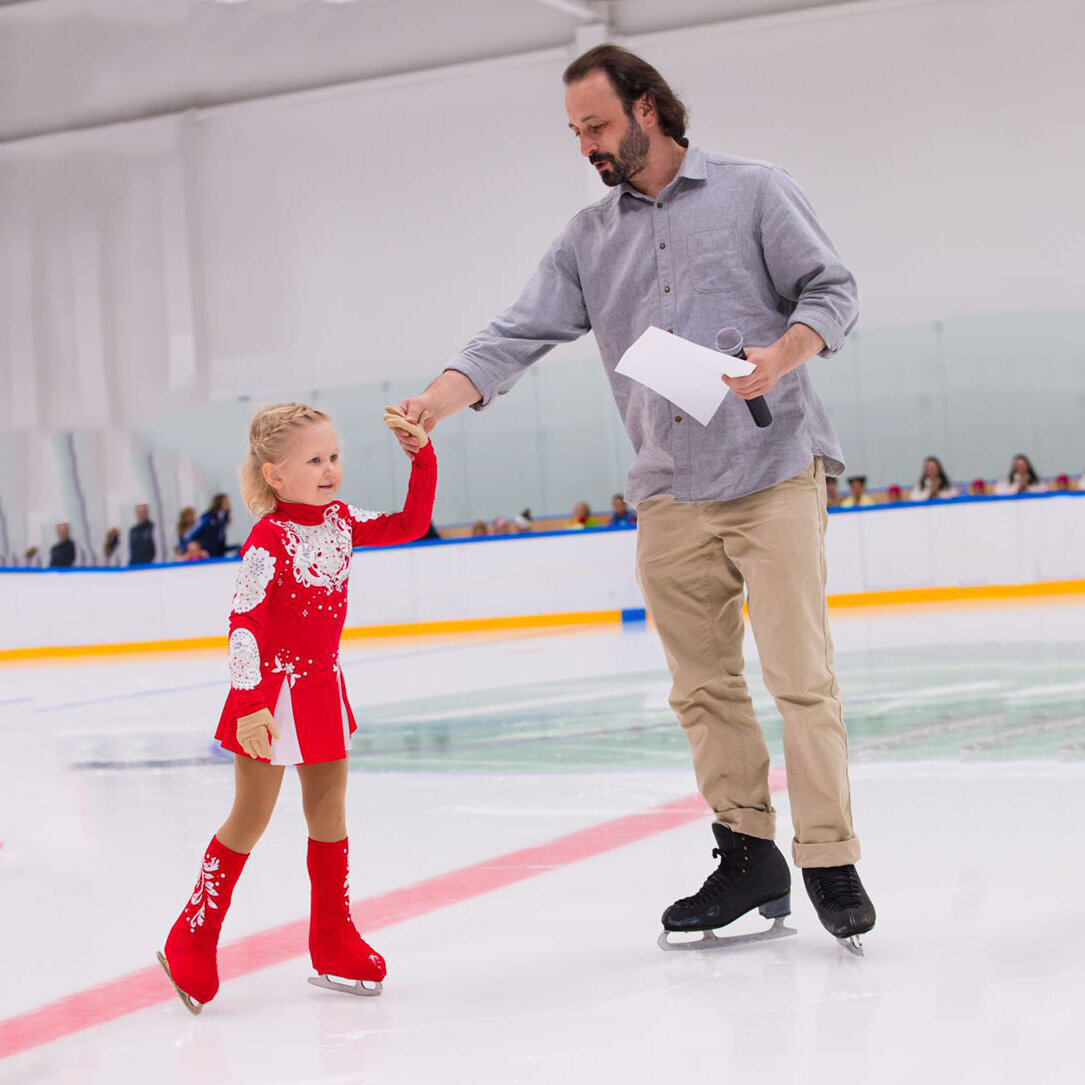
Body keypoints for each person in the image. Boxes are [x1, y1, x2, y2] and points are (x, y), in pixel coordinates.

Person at [391, 44, 874, 949]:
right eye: (575, 132)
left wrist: (784, 354)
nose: (586, 145)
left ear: (648, 107)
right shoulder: (589, 238)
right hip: (666, 490)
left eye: (598, 125)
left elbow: (833, 290)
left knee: (800, 680)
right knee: (701, 690)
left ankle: (827, 854)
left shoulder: (754, 191)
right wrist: (436, 399)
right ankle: (747, 853)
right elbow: (516, 331)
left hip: (769, 474)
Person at [157, 402, 436, 1013]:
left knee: (330, 811)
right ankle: (193, 934)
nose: (331, 468)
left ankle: (332, 937)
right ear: (275, 475)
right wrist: (253, 705)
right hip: (270, 693)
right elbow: (243, 624)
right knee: (250, 818)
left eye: (335, 456)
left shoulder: (339, 522)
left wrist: (421, 455)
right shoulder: (269, 538)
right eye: (314, 459)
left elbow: (411, 524)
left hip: (322, 691)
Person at [184, 494, 232, 558]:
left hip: (218, 552)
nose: (229, 504)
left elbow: (220, 538)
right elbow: (190, 534)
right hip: (206, 553)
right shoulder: (207, 517)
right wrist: (184, 549)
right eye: (226, 502)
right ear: (220, 503)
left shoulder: (224, 518)